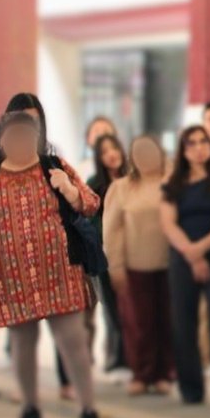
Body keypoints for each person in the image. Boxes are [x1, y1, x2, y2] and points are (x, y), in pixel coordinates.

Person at [0, 112, 102, 418]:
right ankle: (30, 408)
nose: (20, 142)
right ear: (1, 141)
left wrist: (70, 191)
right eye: (13, 136)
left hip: (60, 273)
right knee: (22, 345)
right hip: (12, 278)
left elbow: (92, 204)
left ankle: (88, 409)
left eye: (27, 136)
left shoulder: (55, 167)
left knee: (73, 343)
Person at [160, 125, 210, 405]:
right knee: (184, 324)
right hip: (182, 259)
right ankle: (191, 389)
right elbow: (168, 224)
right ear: (183, 150)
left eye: (203, 142)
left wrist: (201, 250)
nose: (198, 148)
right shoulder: (173, 184)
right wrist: (192, 254)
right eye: (191, 143)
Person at [103, 135, 174, 396]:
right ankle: (142, 373)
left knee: (167, 320)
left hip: (170, 264)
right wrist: (116, 265)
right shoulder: (121, 188)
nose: (146, 157)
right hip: (134, 266)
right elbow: (111, 230)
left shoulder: (173, 184)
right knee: (138, 323)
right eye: (139, 152)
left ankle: (164, 373)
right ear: (132, 158)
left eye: (150, 151)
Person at [87, 132, 129, 374]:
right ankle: (117, 361)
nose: (111, 154)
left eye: (114, 148)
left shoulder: (134, 178)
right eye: (104, 152)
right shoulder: (94, 185)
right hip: (105, 258)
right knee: (113, 311)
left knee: (133, 309)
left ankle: (134, 359)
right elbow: (91, 223)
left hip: (135, 254)